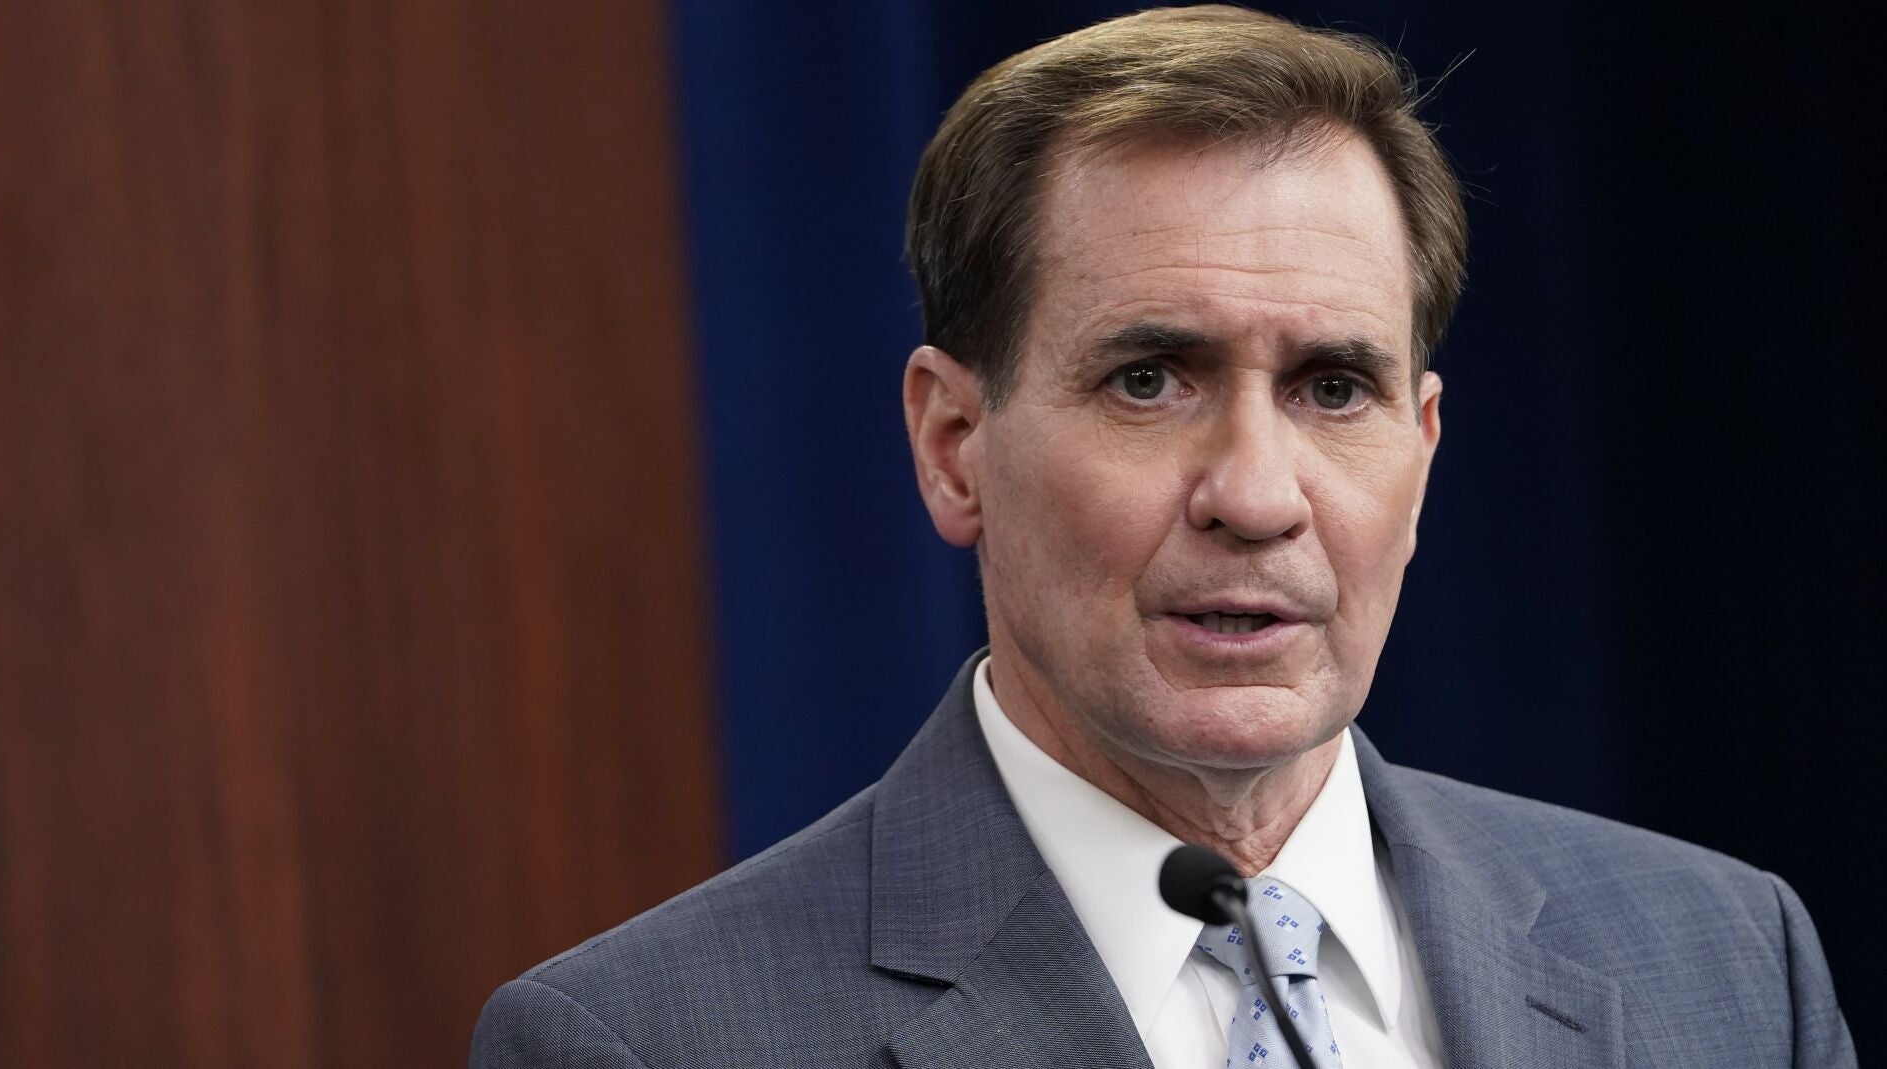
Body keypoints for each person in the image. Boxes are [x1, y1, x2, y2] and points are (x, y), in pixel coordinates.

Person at [471, 7, 1855, 1067]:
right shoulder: (648, 1041)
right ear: (953, 445)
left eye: (1333, 388)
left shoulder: (1729, 966)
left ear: (1424, 452)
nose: (1255, 495)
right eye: (1149, 380)